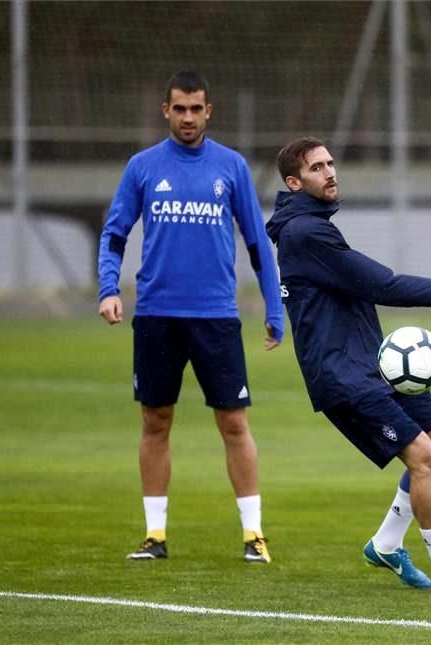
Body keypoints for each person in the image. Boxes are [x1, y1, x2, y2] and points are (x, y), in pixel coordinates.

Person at [266, 137, 431, 597]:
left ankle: (386, 544)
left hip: (374, 364)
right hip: (344, 376)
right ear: (294, 182)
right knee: (424, 455)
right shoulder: (305, 234)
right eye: (317, 168)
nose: (330, 172)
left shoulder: (313, 226)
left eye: (331, 163)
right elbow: (381, 284)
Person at [98, 70, 284, 563]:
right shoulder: (143, 167)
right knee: (155, 422)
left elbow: (257, 241)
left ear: (209, 110)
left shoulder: (232, 167)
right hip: (157, 314)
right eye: (178, 109)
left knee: (234, 424)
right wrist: (108, 288)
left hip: (215, 316)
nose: (187, 117)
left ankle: (254, 536)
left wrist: (275, 305)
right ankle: (155, 536)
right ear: (166, 111)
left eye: (195, 108)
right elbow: (115, 233)